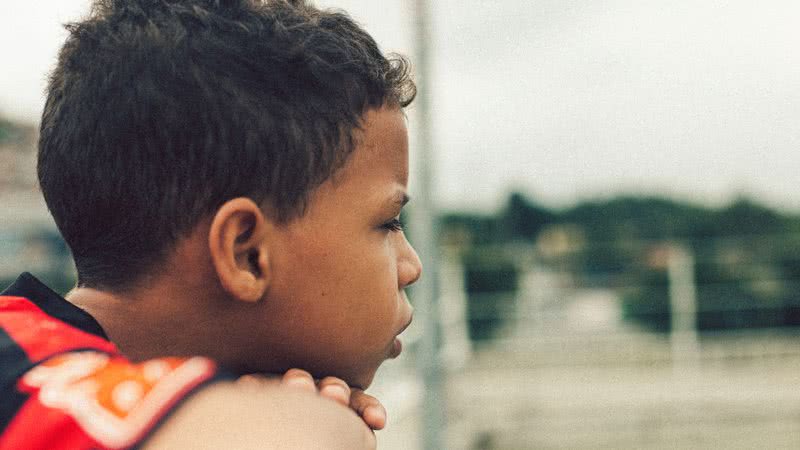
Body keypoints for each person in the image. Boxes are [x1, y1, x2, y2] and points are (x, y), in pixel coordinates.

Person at [0, 0, 421, 448]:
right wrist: (323, 425)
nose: (411, 265)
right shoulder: (23, 375)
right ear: (247, 253)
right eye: (388, 223)